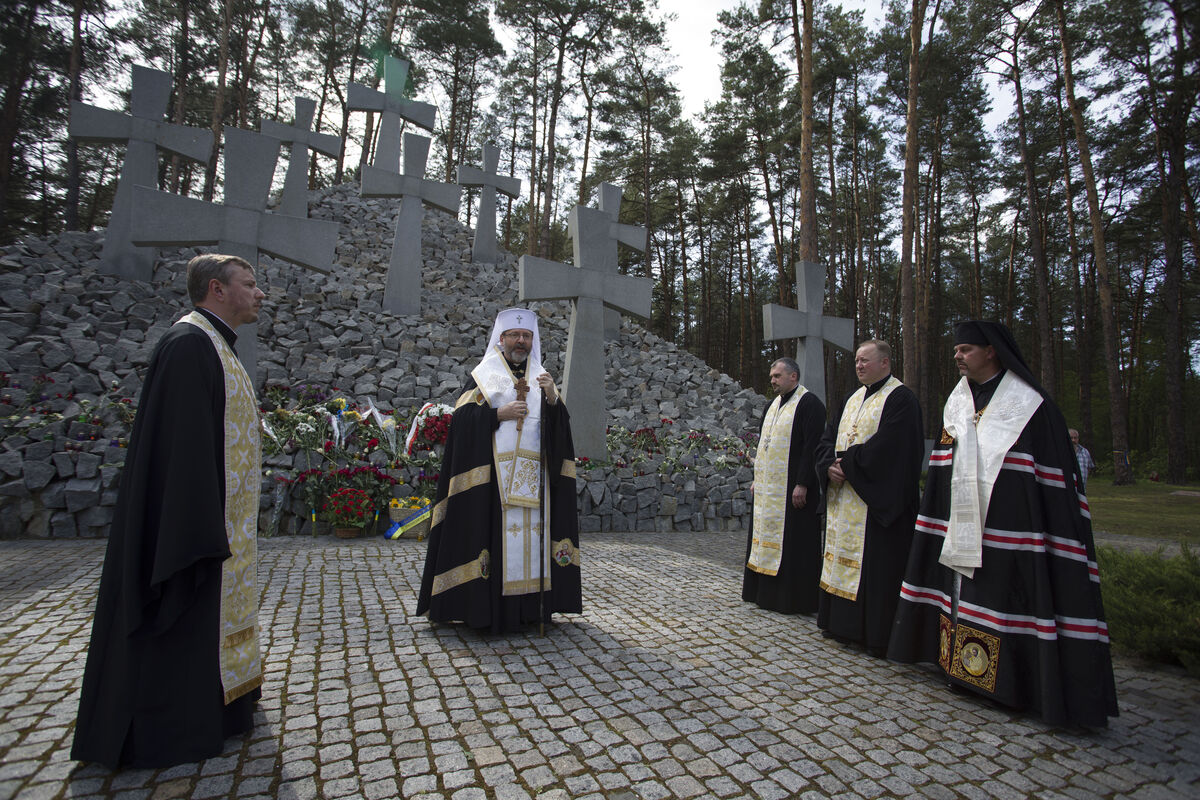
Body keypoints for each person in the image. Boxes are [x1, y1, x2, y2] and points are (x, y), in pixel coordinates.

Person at [72, 254, 266, 768]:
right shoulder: (189, 346)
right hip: (195, 524)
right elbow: (180, 452)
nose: (259, 293)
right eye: (249, 284)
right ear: (217, 290)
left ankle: (223, 704)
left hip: (221, 521)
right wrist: (199, 528)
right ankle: (173, 722)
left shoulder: (215, 346)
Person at [888, 321, 1118, 727]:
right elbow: (945, 465)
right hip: (960, 521)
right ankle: (960, 669)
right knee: (963, 593)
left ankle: (1009, 683)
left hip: (1011, 528)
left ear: (991, 351)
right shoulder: (958, 402)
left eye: (965, 350)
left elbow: (1047, 477)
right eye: (956, 350)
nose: (957, 356)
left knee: (1007, 598)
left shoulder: (1030, 405)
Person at [417, 307, 581, 633]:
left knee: (532, 541)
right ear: (502, 338)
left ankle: (529, 611)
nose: (521, 341)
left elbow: (561, 432)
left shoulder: (541, 376)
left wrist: (551, 400)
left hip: (536, 481)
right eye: (515, 335)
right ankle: (492, 612)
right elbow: (461, 423)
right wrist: (497, 414)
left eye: (527, 336)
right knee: (495, 544)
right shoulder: (484, 375)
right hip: (494, 484)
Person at [816, 339, 923, 657]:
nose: (859, 365)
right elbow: (828, 437)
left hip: (876, 505)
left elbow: (894, 447)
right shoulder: (851, 398)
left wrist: (847, 463)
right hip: (845, 496)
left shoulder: (901, 398)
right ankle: (838, 625)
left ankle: (871, 634)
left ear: (885, 363)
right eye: (857, 361)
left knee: (876, 566)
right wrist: (826, 466)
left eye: (866, 360)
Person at [742, 357, 826, 613]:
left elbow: (812, 447)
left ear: (793, 376)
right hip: (769, 489)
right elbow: (763, 446)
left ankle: (792, 599)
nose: (773, 381)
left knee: (794, 543)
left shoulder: (810, 404)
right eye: (771, 377)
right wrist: (758, 478)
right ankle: (763, 593)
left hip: (794, 489)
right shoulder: (771, 405)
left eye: (777, 376)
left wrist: (803, 483)